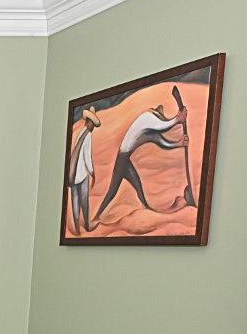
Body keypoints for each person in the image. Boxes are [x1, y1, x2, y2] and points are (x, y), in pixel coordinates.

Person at [90, 85, 193, 227]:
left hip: (125, 159)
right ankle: (97, 216)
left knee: (136, 184)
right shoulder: (147, 118)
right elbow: (161, 126)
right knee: (113, 189)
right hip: (122, 158)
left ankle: (146, 208)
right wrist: (177, 119)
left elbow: (161, 141)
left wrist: (179, 143)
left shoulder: (149, 131)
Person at [66, 106, 100, 234]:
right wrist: (92, 172)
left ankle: (76, 228)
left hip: (73, 173)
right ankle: (87, 225)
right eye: (93, 124)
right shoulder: (88, 135)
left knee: (75, 199)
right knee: (84, 200)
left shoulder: (81, 131)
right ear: (89, 122)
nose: (93, 127)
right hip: (82, 173)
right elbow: (87, 157)